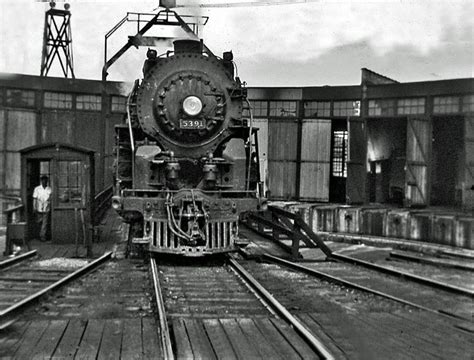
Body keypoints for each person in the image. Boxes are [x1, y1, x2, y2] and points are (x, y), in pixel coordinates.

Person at [33, 175, 52, 242]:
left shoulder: (49, 189)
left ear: (47, 181)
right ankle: (39, 234)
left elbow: (51, 199)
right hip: (39, 208)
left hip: (46, 208)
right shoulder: (37, 189)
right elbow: (35, 199)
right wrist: (34, 207)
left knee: (45, 223)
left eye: (46, 180)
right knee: (39, 222)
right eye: (43, 180)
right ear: (41, 181)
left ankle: (42, 236)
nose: (44, 182)